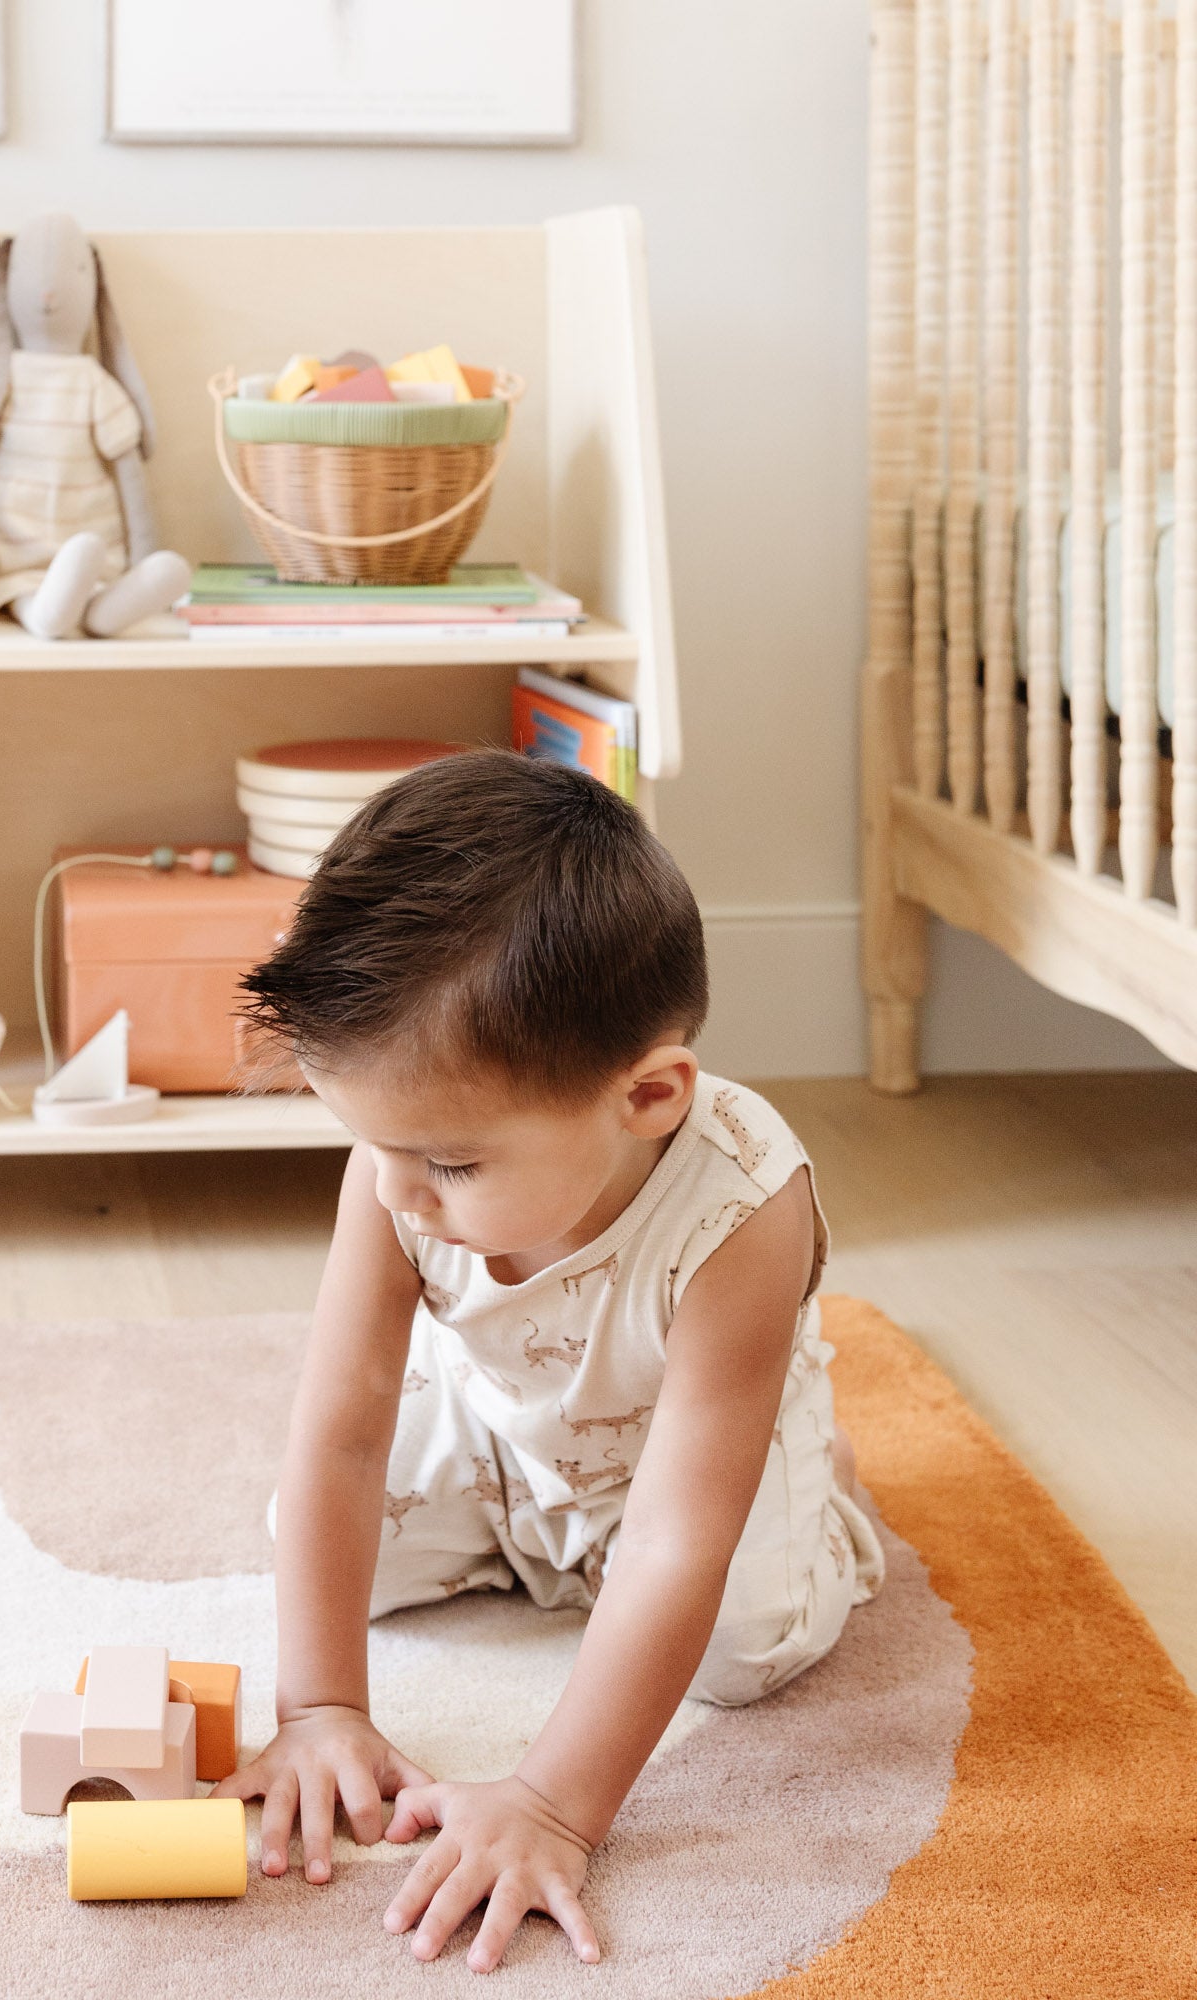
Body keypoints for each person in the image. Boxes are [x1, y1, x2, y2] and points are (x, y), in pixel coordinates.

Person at [210, 750, 883, 1972]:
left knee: (742, 1645)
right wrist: (320, 1708)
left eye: (452, 1166)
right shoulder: (404, 1160)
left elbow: (679, 1540)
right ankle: (540, 1536)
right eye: (372, 1144)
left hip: (686, 1461)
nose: (400, 1192)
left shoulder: (741, 1204)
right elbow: (345, 1418)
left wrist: (554, 1803)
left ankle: (816, 1484)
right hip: (505, 1418)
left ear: (649, 1097)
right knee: (314, 1547)